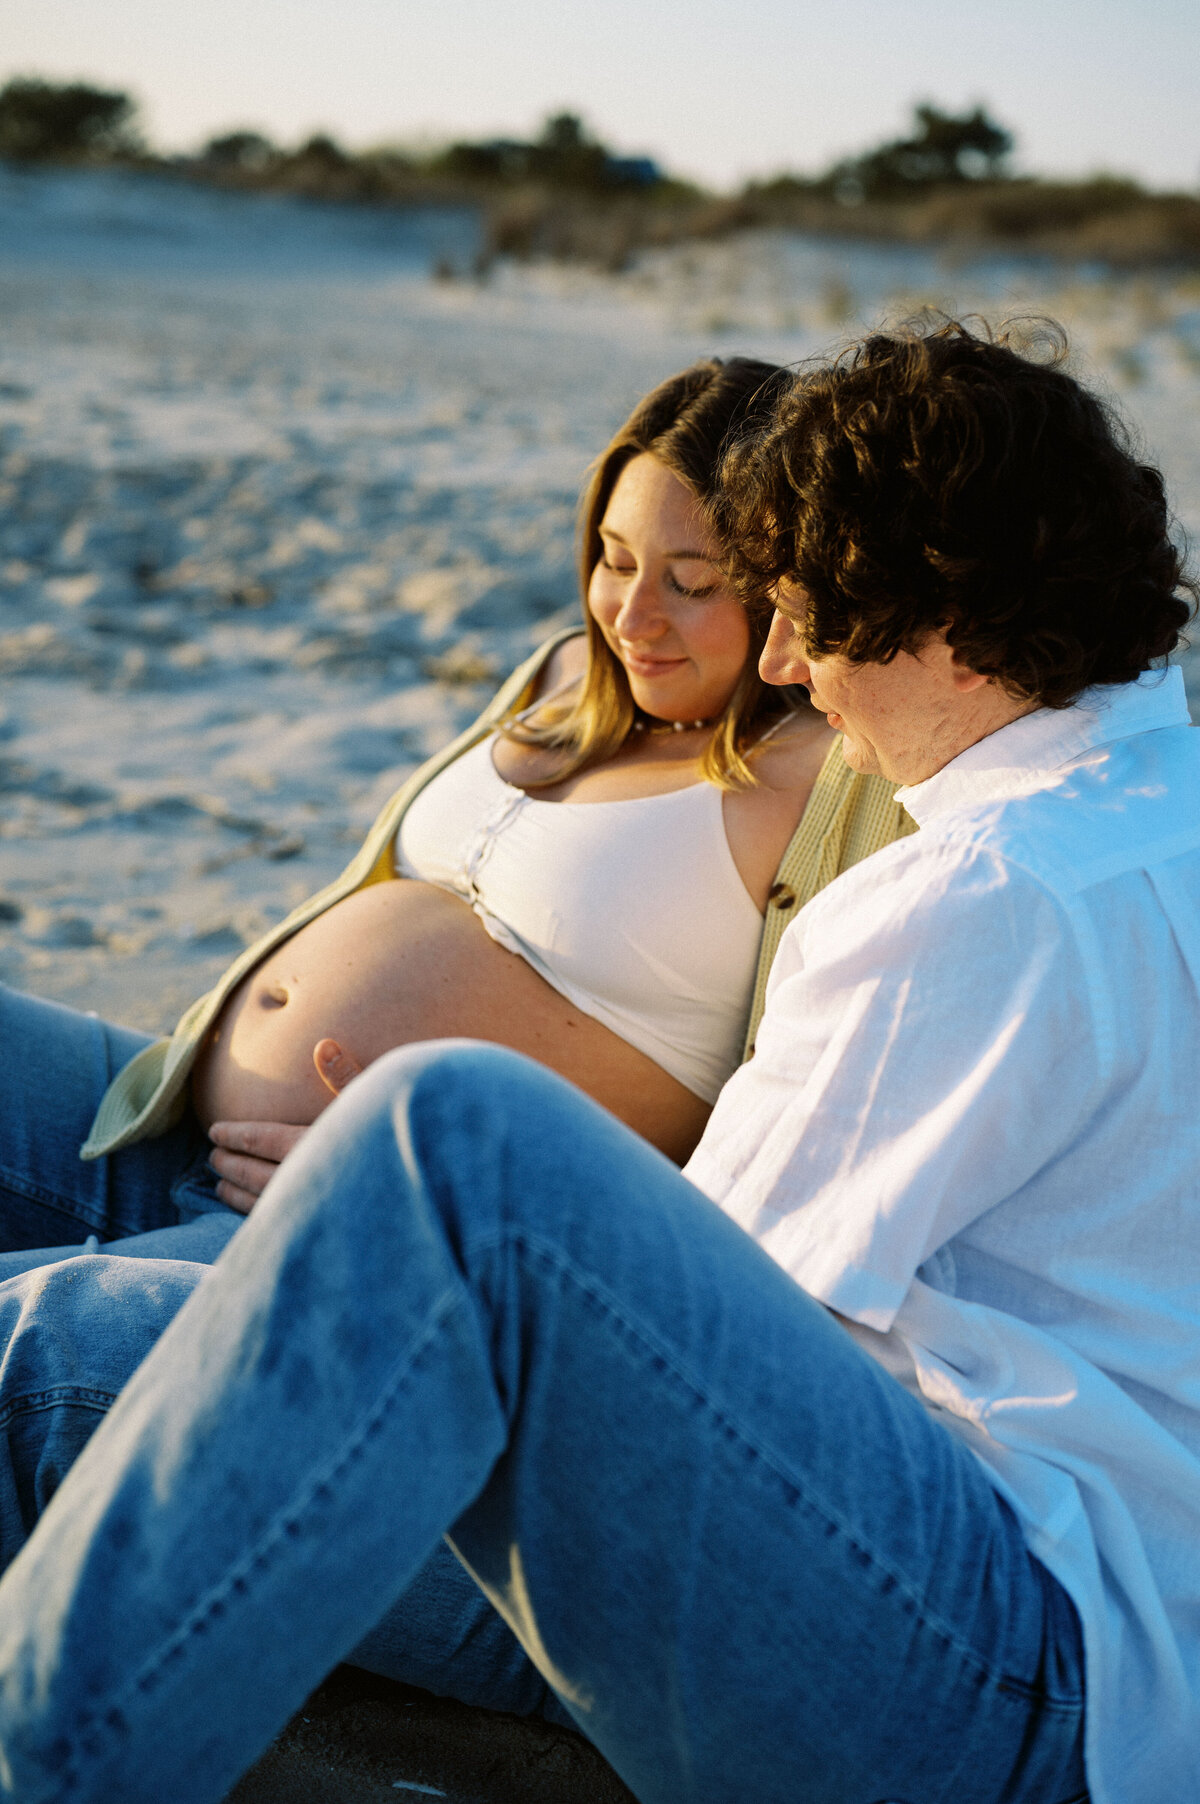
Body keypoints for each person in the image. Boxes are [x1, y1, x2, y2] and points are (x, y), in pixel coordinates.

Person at [0, 315, 1195, 1804]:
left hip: (997, 1659)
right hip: (1051, 1602)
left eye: (801, 613)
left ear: (932, 614)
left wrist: (362, 1222)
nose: (781, 659)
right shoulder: (1151, 799)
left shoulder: (985, 890)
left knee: (56, 1354)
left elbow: (692, 1312)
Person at [0, 356, 913, 1290]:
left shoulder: (829, 781)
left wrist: (441, 1184)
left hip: (383, 1231)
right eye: (616, 558)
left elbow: (808, 1128)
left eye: (692, 583)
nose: (632, 617)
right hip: (177, 1118)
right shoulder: (561, 677)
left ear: (780, 591)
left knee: (29, 1335)